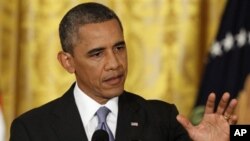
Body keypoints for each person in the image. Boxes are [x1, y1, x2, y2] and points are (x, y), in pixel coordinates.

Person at [9, 2, 238, 141]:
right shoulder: (31, 129)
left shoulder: (162, 119)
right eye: (97, 54)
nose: (115, 64)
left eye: (119, 48)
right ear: (68, 62)